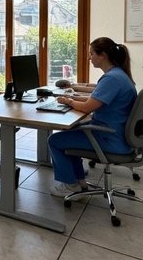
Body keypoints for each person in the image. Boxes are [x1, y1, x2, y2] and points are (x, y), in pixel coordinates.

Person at [47, 37, 137, 197]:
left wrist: (69, 101)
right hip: (117, 135)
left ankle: (70, 185)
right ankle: (79, 181)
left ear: (102, 56)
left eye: (91, 54)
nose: (89, 58)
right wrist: (71, 99)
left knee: (54, 140)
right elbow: (94, 100)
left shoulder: (111, 79)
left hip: (110, 139)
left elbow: (88, 107)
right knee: (70, 133)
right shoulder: (118, 74)